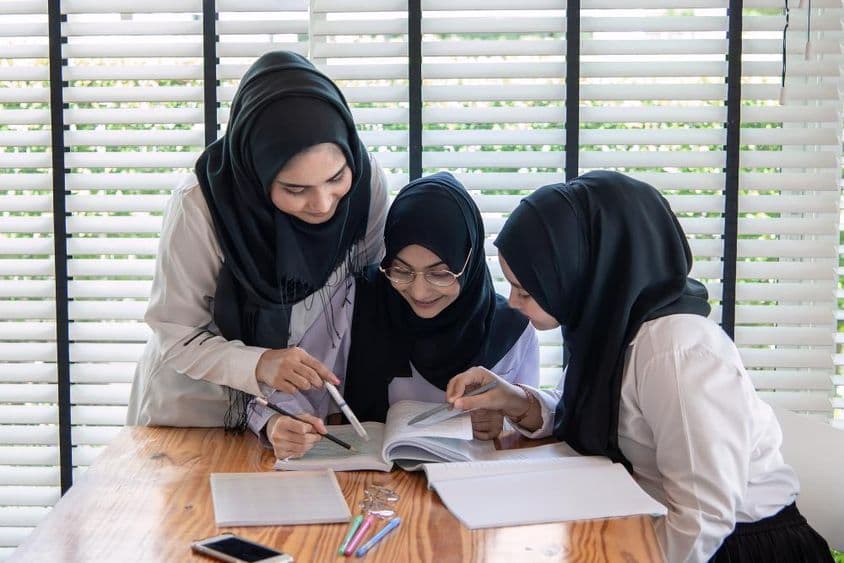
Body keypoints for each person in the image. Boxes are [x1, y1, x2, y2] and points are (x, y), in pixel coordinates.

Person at [445, 171, 832, 563]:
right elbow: (601, 410)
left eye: (525, 290)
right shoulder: (614, 325)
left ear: (584, 272)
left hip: (734, 547)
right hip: (660, 527)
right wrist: (517, 401)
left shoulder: (678, 353)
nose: (511, 302)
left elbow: (703, 518)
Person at [126, 51, 388, 430]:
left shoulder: (366, 184)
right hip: (199, 409)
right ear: (257, 173)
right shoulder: (202, 205)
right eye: (295, 188)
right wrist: (261, 363)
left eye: (335, 179)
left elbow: (366, 289)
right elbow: (176, 334)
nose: (323, 204)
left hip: (300, 411)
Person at [250, 172, 540, 460]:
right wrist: (279, 423)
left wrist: (502, 421)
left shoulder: (511, 330)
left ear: (470, 261)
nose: (420, 291)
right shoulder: (357, 300)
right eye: (401, 271)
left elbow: (531, 424)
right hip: (366, 487)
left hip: (466, 494)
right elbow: (283, 390)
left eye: (440, 274)